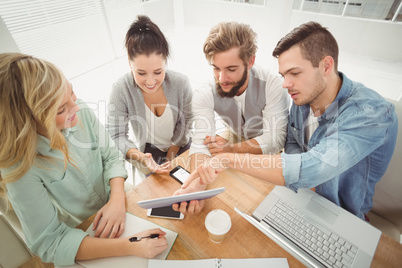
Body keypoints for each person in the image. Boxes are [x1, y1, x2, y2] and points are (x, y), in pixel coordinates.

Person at [178, 21, 398, 220]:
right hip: (299, 196)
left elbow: (315, 167)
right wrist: (198, 183)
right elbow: (291, 143)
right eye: (284, 75)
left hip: (341, 214)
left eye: (294, 73)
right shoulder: (303, 99)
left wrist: (227, 158)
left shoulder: (372, 113)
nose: (285, 84)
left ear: (326, 66)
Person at [0, 53, 168, 266]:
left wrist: (116, 199)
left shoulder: (78, 108)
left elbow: (111, 156)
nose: (75, 106)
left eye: (71, 93)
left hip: (120, 199)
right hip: (85, 234)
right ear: (29, 122)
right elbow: (50, 242)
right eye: (61, 109)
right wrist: (131, 245)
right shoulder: (19, 166)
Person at [188, 21, 289, 172]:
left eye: (231, 69)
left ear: (250, 61)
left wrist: (232, 149)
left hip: (264, 146)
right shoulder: (204, 92)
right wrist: (196, 180)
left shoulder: (273, 84)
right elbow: (201, 139)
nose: (222, 78)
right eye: (216, 68)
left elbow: (275, 138)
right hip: (232, 138)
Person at [107, 15, 192, 176]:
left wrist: (171, 155)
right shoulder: (121, 89)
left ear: (165, 61)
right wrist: (141, 157)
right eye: (141, 73)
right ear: (129, 63)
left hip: (181, 144)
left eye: (158, 72)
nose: (151, 81)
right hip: (148, 154)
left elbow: (187, 121)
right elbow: (116, 135)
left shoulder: (181, 83)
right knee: (158, 195)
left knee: (191, 188)